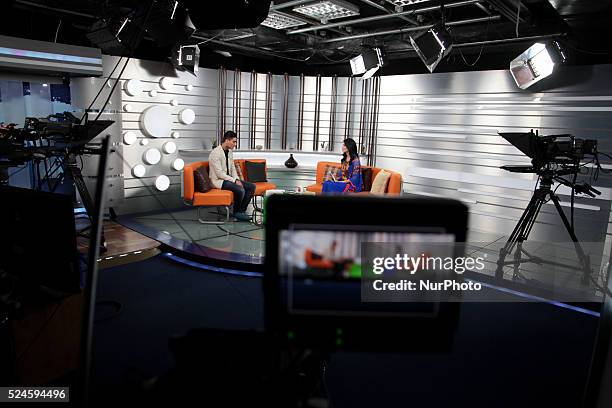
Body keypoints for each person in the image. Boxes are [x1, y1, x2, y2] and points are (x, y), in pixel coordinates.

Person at [208, 131, 255, 221]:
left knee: (251, 186)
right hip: (218, 181)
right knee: (240, 189)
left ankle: (241, 211)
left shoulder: (229, 152)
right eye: (234, 141)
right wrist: (234, 181)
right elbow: (219, 174)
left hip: (228, 179)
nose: (235, 144)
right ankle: (236, 212)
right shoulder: (215, 153)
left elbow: (232, 168)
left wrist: (237, 179)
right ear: (227, 140)